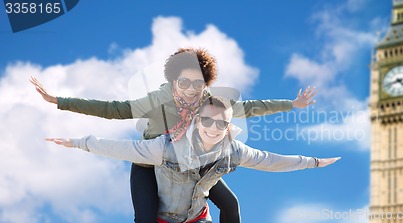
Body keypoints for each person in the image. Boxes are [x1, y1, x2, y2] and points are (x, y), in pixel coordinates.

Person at [31, 47, 318, 223]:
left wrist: (292, 104)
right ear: (172, 81)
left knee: (230, 204)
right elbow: (114, 109)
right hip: (151, 162)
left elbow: (249, 107)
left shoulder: (208, 101)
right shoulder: (158, 99)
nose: (192, 91)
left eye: (198, 84)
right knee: (145, 218)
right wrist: (59, 101)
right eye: (184, 83)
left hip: (192, 164)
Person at [47, 96, 341, 223]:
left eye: (220, 125)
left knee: (231, 203)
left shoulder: (233, 149)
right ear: (196, 121)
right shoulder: (165, 147)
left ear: (228, 126)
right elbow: (121, 148)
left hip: (195, 217)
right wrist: (79, 142)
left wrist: (312, 161)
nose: (214, 129)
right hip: (163, 214)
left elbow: (270, 160)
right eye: (208, 122)